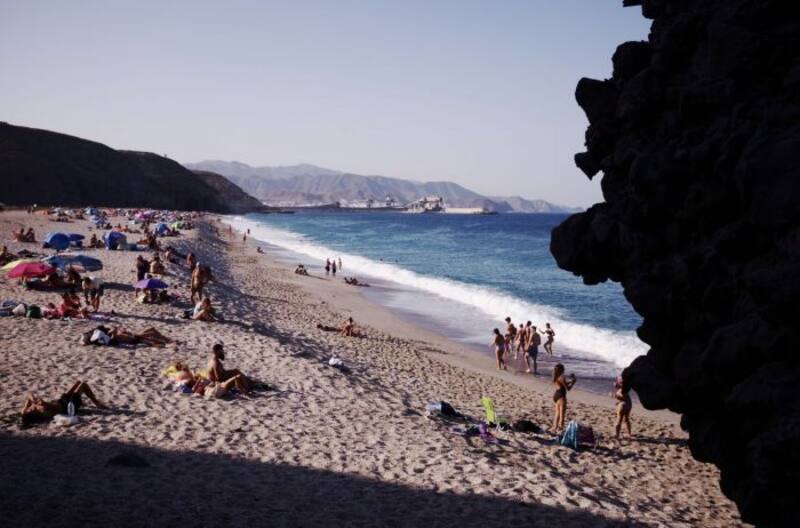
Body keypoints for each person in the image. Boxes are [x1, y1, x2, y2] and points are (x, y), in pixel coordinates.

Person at [21, 381, 106, 426]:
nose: (30, 408)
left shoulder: (25, 411)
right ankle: (97, 403)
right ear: (33, 413)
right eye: (30, 410)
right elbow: (51, 407)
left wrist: (32, 399)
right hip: (68, 405)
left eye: (28, 409)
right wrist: (41, 402)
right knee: (83, 385)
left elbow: (29, 394)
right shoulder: (43, 410)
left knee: (78, 382)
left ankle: (85, 401)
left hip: (62, 400)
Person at [551, 363, 576, 433]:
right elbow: (568, 388)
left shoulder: (556, 376)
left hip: (556, 395)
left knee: (557, 414)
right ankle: (560, 429)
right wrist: (573, 383)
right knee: (562, 415)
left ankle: (554, 428)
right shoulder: (562, 377)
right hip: (561, 396)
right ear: (562, 370)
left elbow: (563, 384)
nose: (564, 370)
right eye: (563, 369)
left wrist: (571, 381)